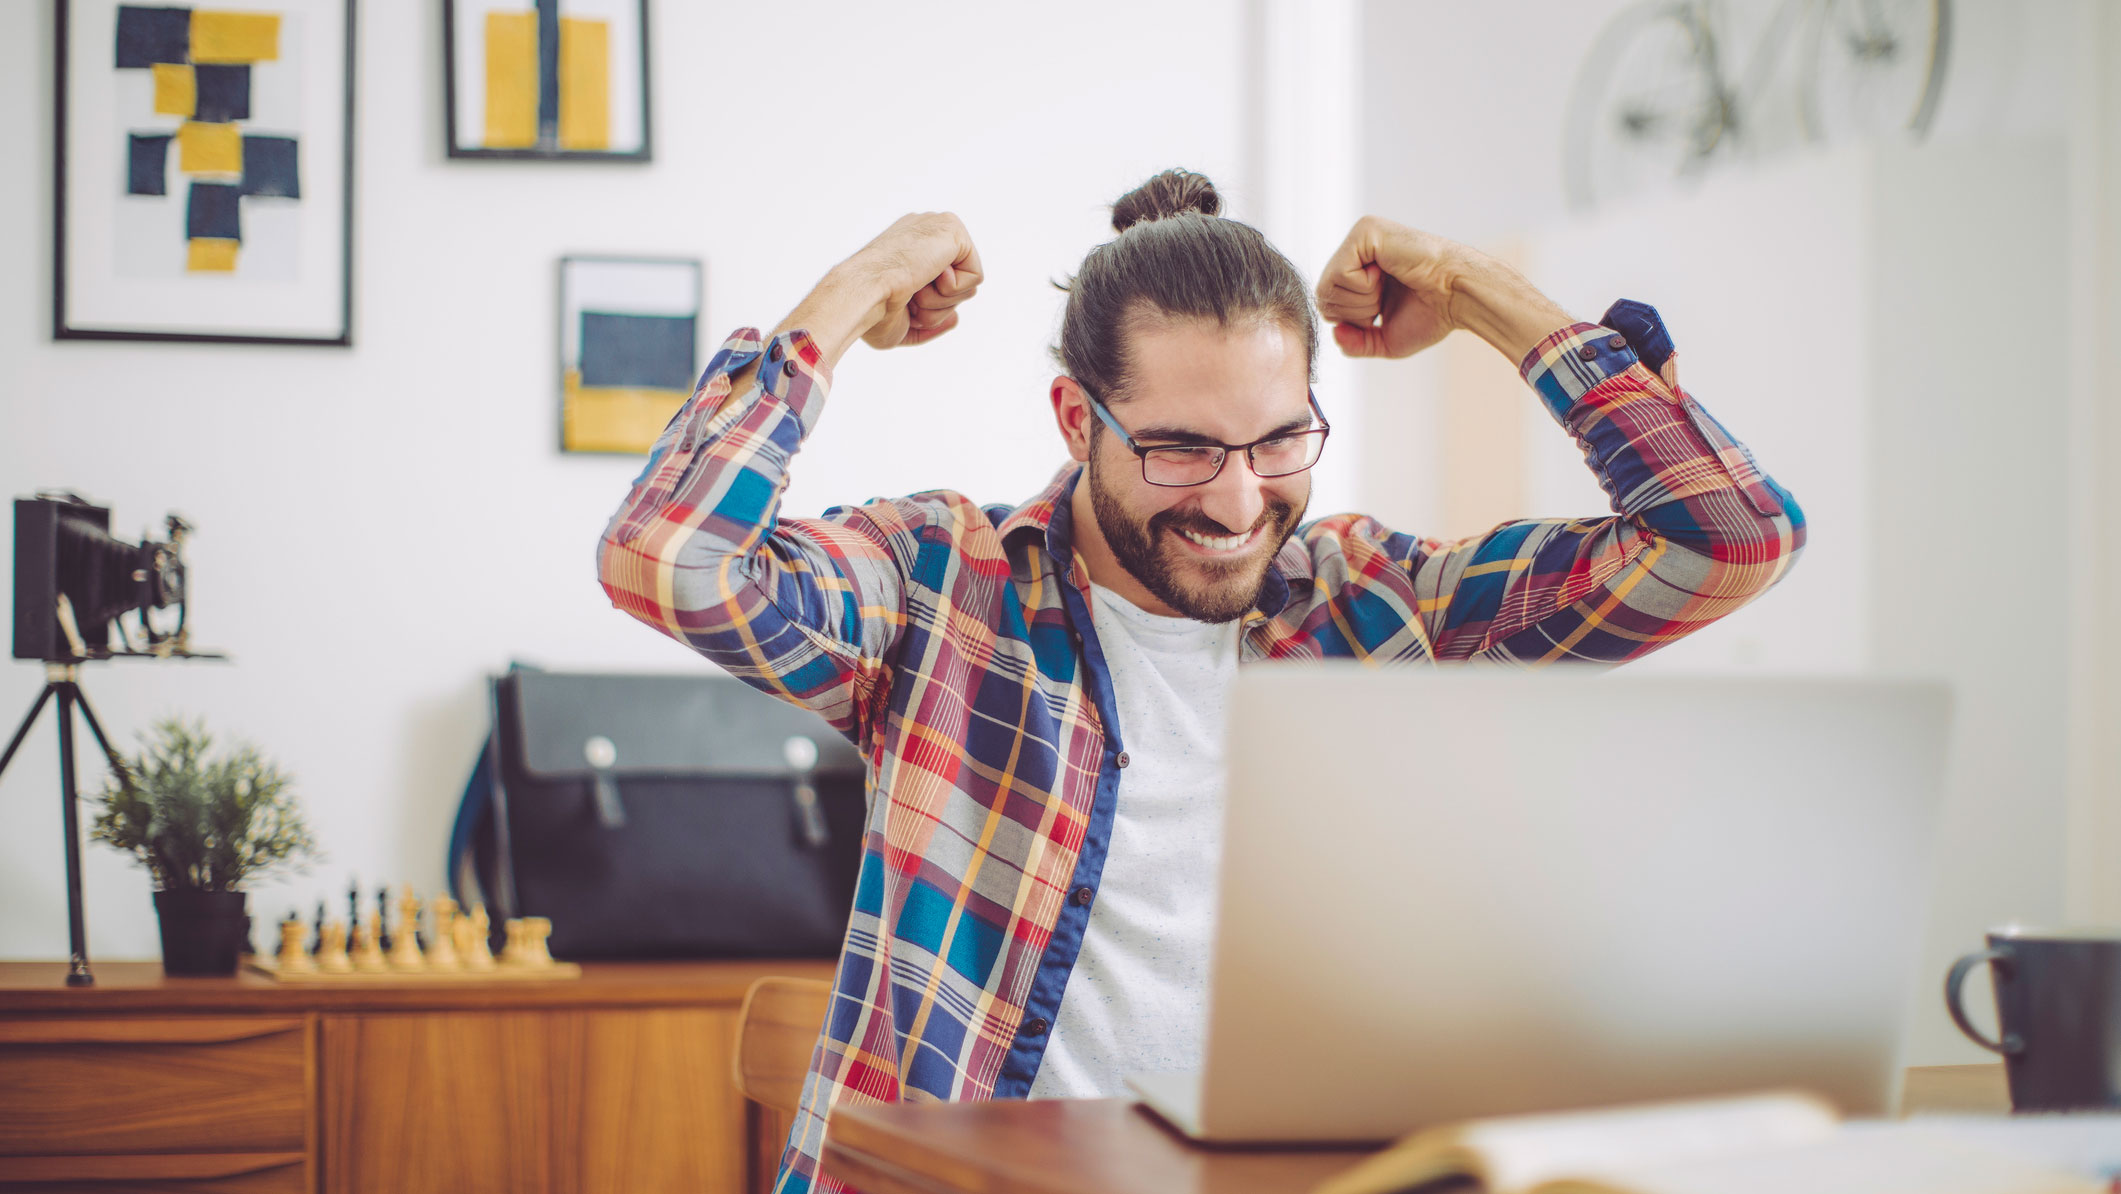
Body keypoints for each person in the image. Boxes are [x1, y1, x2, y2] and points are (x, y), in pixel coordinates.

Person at [596, 168, 1804, 1194]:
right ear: (1078, 419)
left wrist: (1472, 285)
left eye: (1280, 441)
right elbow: (668, 556)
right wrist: (859, 289)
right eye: (1179, 448)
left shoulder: (1382, 607)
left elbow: (1728, 540)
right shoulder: (937, 589)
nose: (1237, 503)